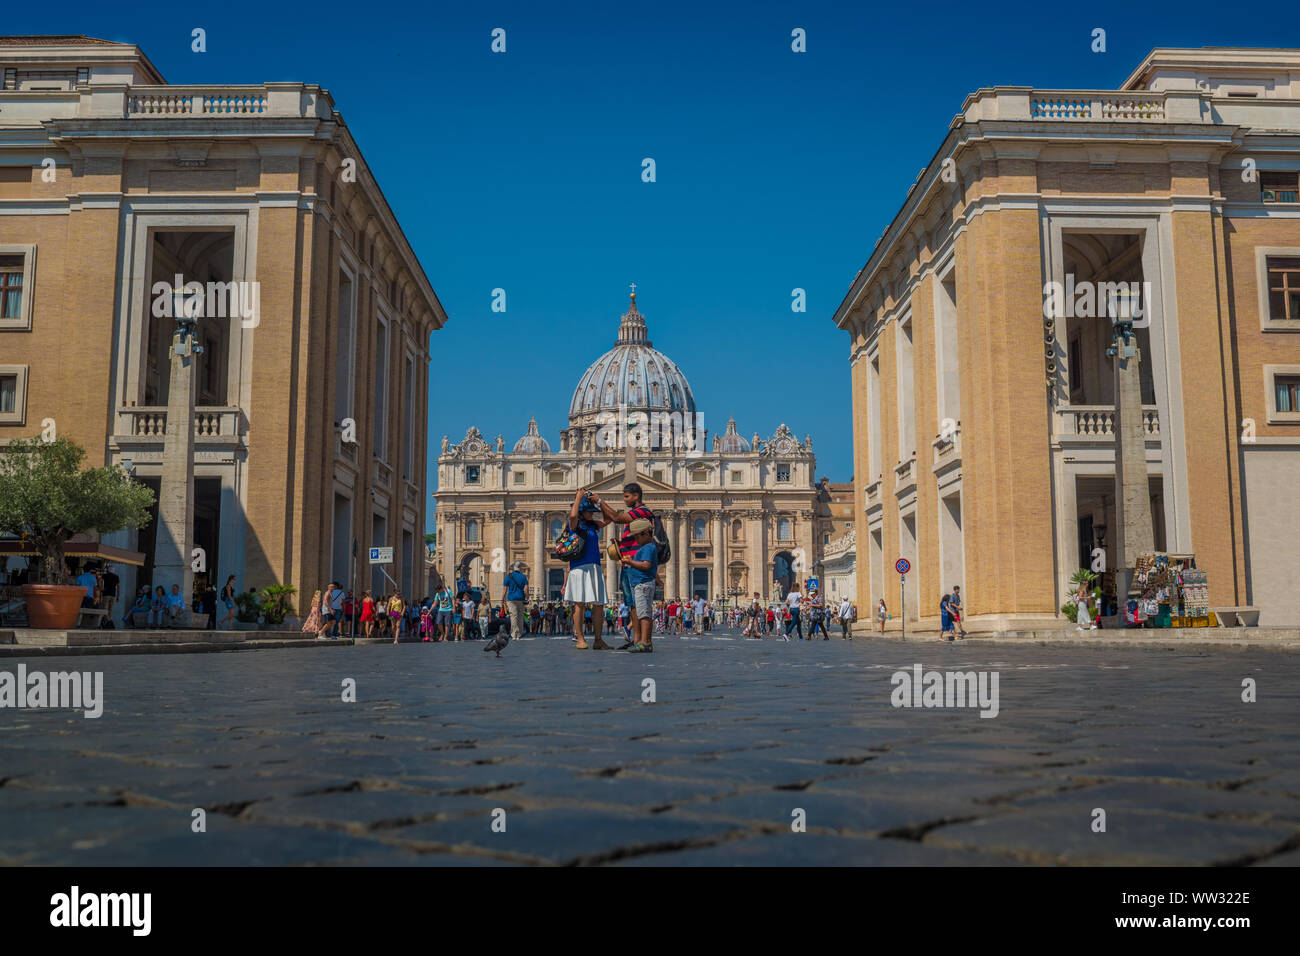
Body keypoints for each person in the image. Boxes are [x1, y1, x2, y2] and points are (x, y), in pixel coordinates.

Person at [596, 482, 654, 650]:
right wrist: (620, 544)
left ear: (636, 496)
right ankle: (636, 640)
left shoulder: (642, 512)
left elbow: (616, 518)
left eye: (626, 496)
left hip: (636, 562)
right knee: (633, 604)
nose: (624, 500)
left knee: (639, 604)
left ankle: (644, 641)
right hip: (628, 562)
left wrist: (600, 502)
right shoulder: (635, 514)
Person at [562, 490, 612, 650]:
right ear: (583, 512)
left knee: (599, 605)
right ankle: (580, 638)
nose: (592, 514)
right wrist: (578, 497)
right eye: (590, 511)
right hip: (579, 568)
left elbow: (610, 518)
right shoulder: (575, 526)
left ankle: (598, 639)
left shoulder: (593, 525)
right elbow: (572, 516)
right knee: (579, 604)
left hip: (594, 567)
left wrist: (599, 501)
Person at [619, 518, 660, 653]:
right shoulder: (646, 547)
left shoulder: (648, 547)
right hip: (640, 584)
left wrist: (631, 563)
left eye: (637, 536)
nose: (635, 539)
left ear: (646, 534)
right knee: (644, 614)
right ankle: (646, 642)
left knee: (644, 615)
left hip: (643, 585)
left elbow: (646, 565)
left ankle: (644, 642)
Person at [501, 561, 528, 650]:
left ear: (513, 568)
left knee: (514, 616)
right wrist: (527, 597)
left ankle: (514, 634)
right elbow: (526, 589)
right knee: (520, 616)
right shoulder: (523, 577)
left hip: (511, 599)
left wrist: (502, 599)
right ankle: (519, 634)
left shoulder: (509, 577)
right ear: (520, 568)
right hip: (521, 598)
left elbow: (505, 589)